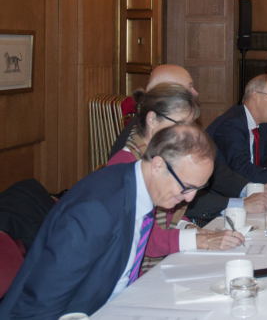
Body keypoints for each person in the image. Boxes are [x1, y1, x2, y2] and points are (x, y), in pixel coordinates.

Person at [0, 124, 217, 318]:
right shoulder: (97, 211)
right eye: (187, 187)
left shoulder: (138, 188)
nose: (189, 198)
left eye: (198, 189)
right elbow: (40, 303)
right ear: (158, 166)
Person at [109, 64, 267, 224]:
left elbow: (214, 169)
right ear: (167, 92)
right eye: (189, 87)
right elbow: (158, 215)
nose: (196, 92)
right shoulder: (132, 150)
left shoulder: (173, 128)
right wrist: (240, 204)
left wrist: (250, 189)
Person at [107, 84, 246, 270]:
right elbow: (141, 236)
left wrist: (190, 229)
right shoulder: (125, 165)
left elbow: (171, 214)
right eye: (180, 124)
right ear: (152, 120)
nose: (186, 133)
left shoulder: (167, 158)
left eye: (190, 125)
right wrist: (199, 240)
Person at [209, 74, 267, 185]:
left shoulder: (263, 122)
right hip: (226, 196)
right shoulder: (231, 124)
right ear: (255, 97)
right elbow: (242, 169)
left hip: (252, 188)